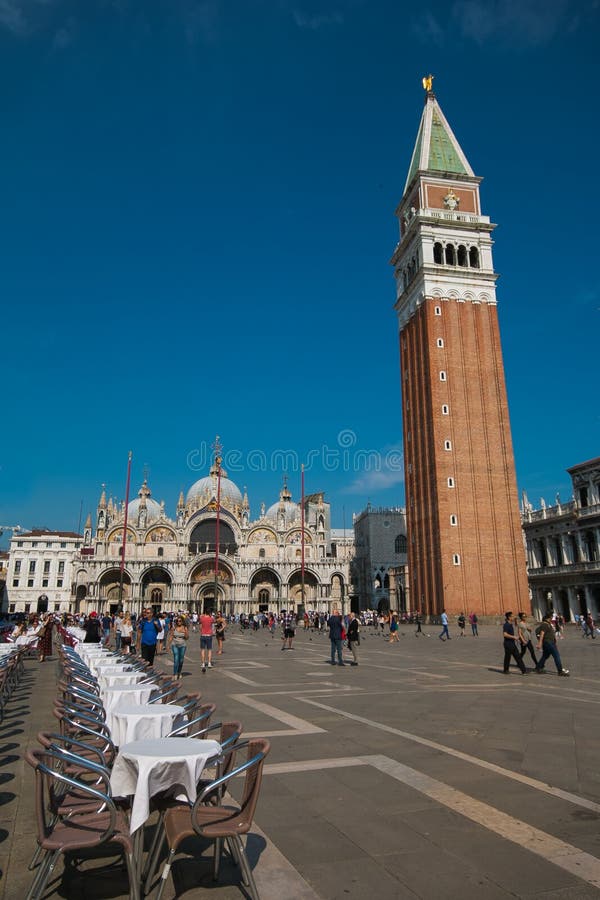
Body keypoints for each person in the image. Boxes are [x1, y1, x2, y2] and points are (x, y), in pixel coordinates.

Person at [535, 612, 570, 676]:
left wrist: (555, 639)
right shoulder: (544, 625)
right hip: (548, 642)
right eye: (551, 617)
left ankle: (538, 667)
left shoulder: (548, 624)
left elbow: (551, 633)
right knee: (556, 656)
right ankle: (560, 671)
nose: (552, 619)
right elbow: (542, 634)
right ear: (549, 618)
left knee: (545, 656)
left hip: (550, 642)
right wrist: (539, 644)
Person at [168, 615, 189, 680]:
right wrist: (168, 645)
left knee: (181, 660)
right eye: (177, 621)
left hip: (183, 645)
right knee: (176, 659)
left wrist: (185, 632)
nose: (178, 622)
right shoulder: (174, 628)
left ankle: (179, 672)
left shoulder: (185, 628)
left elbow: (187, 638)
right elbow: (171, 636)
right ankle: (175, 674)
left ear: (182, 621)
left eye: (180, 621)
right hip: (175, 644)